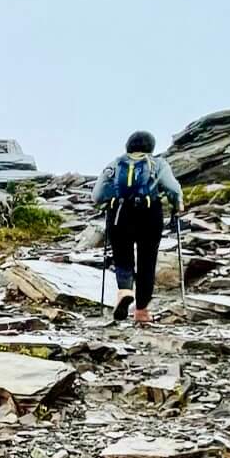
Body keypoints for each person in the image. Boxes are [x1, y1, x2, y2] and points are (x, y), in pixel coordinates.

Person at [94, 130, 183, 324]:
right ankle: (141, 311)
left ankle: (125, 292)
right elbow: (173, 189)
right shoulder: (158, 164)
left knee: (123, 258)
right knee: (147, 261)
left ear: (128, 145)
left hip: (119, 215)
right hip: (150, 215)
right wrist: (178, 206)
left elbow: (97, 194)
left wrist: (110, 200)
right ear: (151, 146)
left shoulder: (115, 164)